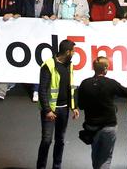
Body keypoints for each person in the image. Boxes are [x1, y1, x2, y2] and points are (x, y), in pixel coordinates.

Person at [76, 56, 127, 169]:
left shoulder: (84, 84)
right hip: (109, 126)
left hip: (92, 127)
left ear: (94, 68)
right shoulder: (110, 83)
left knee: (95, 155)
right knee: (106, 158)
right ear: (105, 68)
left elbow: (81, 106)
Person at [37, 39, 80, 169]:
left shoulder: (69, 65)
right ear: (67, 52)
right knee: (47, 140)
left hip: (64, 109)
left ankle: (57, 166)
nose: (74, 53)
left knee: (60, 141)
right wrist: (47, 110)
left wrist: (74, 106)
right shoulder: (48, 65)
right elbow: (42, 90)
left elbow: (71, 87)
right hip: (51, 110)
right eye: (73, 51)